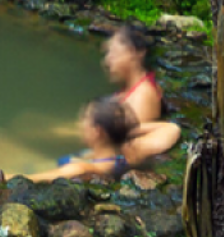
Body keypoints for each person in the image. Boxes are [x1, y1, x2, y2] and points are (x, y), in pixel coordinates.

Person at [28, 98, 178, 182]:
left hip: (36, 167)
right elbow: (172, 129)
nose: (79, 124)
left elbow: (32, 180)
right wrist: (123, 129)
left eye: (84, 120)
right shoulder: (130, 153)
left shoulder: (81, 169)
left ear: (97, 131)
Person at [105, 26, 163, 124]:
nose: (107, 61)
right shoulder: (128, 90)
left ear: (133, 52)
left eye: (113, 53)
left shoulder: (142, 97)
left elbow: (133, 138)